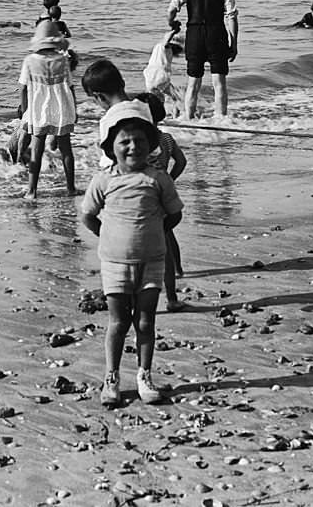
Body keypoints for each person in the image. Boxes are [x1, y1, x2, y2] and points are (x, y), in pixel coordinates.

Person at [81, 100, 183, 407]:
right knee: (118, 322)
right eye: (124, 141)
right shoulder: (103, 180)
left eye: (139, 140)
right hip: (114, 263)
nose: (132, 146)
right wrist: (109, 237)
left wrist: (153, 231)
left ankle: (144, 375)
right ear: (111, 147)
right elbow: (88, 216)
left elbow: (174, 215)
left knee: (145, 320)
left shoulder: (157, 179)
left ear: (150, 144)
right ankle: (111, 377)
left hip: (152, 262)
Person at [166, 0, 239, 119]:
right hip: (216, 35)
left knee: (193, 83)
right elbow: (231, 17)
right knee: (219, 83)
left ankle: (189, 120)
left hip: (194, 35)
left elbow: (172, 8)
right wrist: (233, 44)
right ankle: (221, 121)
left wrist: (172, 23)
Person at [138, 91, 188, 310]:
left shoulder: (142, 142)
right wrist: (171, 179)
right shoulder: (166, 137)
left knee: (161, 245)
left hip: (149, 196)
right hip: (165, 191)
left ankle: (170, 297)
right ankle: (178, 270)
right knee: (168, 235)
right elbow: (181, 161)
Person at [18, 20, 77, 199]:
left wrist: (24, 109)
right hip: (61, 108)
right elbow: (70, 86)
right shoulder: (63, 60)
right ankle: (71, 188)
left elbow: (23, 88)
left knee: (37, 150)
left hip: (38, 109)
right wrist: (75, 110)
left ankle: (32, 190)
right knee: (66, 150)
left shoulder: (30, 61)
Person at [142, 23, 184, 117]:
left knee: (153, 99)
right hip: (160, 76)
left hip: (150, 76)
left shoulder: (159, 48)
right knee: (176, 98)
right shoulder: (164, 47)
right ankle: (175, 116)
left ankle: (153, 116)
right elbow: (166, 40)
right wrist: (174, 31)